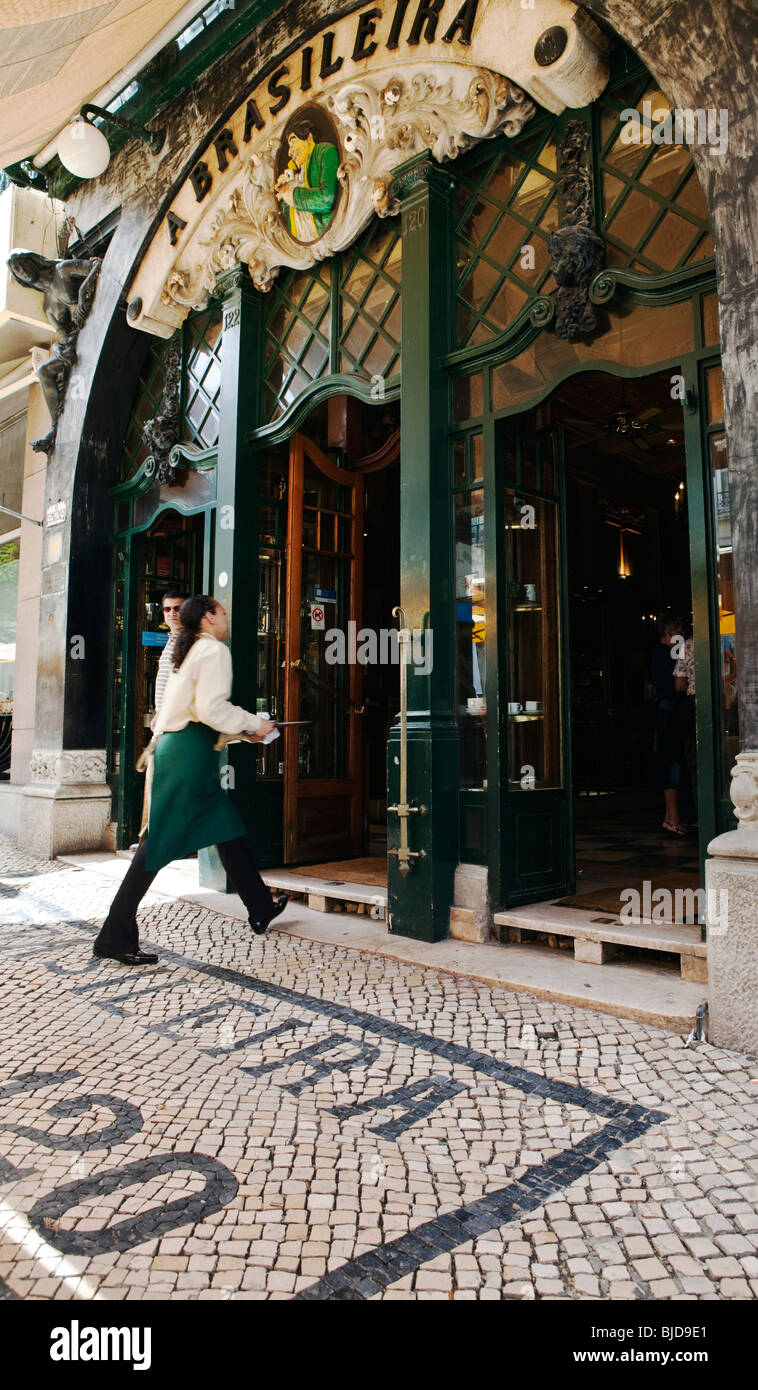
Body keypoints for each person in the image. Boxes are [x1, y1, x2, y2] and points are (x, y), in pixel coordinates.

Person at [94, 595, 287, 965]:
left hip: (183, 751)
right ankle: (114, 935)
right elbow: (212, 709)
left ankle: (260, 907)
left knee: (225, 827)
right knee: (158, 843)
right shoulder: (212, 650)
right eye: (223, 613)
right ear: (210, 617)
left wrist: (242, 734)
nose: (226, 619)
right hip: (187, 757)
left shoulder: (193, 650)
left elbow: (197, 711)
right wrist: (254, 723)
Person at [651, 611, 686, 836]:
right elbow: (677, 687)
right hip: (668, 713)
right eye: (679, 633)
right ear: (670, 632)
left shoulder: (662, 653)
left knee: (671, 761)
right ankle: (673, 818)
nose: (682, 637)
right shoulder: (665, 654)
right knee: (671, 762)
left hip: (666, 712)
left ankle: (670, 817)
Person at [276, 123, 339, 242]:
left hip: (332, 234)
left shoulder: (324, 151)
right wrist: (285, 192)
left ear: (309, 137)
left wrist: (292, 195)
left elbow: (327, 199)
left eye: (293, 142)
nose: (289, 153)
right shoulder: (299, 176)